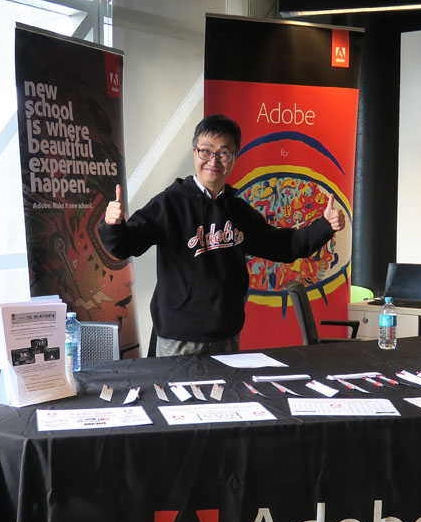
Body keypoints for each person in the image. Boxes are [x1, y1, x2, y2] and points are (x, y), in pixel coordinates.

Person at [98, 114, 345, 356]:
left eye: (223, 153)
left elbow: (285, 246)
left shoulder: (237, 210)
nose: (213, 161)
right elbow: (127, 245)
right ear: (194, 152)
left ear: (234, 157)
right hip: (179, 338)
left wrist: (325, 225)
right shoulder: (169, 204)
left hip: (227, 334)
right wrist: (114, 225)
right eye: (206, 151)